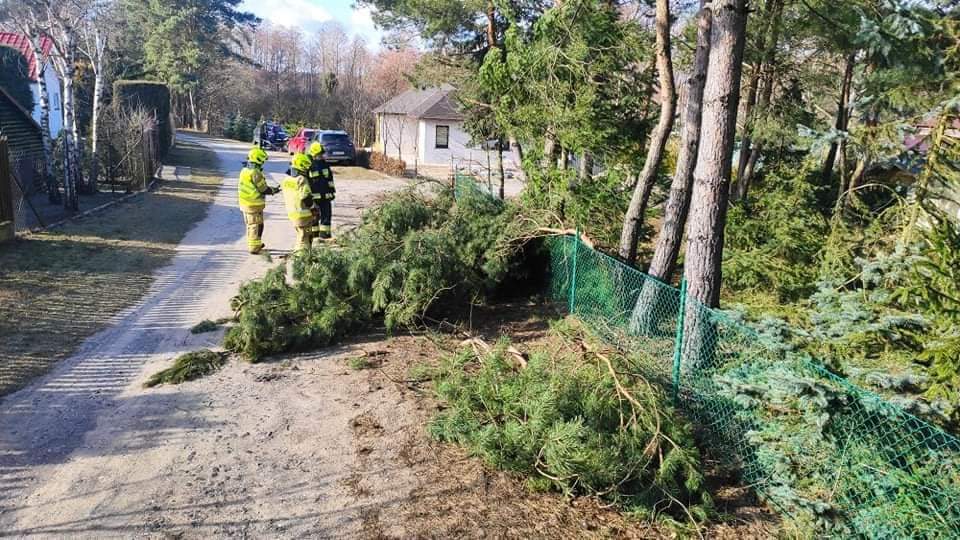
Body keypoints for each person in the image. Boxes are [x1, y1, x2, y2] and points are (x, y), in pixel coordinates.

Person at [238, 147, 278, 254]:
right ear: (258, 160)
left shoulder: (244, 170)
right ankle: (254, 247)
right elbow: (263, 189)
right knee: (255, 225)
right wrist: (274, 190)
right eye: (262, 161)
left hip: (245, 203)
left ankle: (256, 244)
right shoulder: (255, 173)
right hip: (253, 204)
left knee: (252, 224)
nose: (263, 163)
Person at [281, 153, 317, 252]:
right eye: (305, 166)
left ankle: (298, 253)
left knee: (300, 234)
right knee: (305, 237)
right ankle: (301, 256)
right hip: (303, 213)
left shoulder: (287, 179)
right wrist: (313, 208)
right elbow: (306, 197)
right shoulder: (301, 179)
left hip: (292, 212)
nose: (307, 169)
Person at [307, 141, 336, 240]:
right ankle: (314, 235)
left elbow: (330, 180)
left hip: (326, 197)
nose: (321, 156)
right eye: (319, 154)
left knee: (326, 216)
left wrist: (332, 192)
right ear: (314, 154)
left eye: (321, 154)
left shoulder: (325, 165)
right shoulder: (309, 165)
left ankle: (325, 235)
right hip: (314, 198)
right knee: (314, 217)